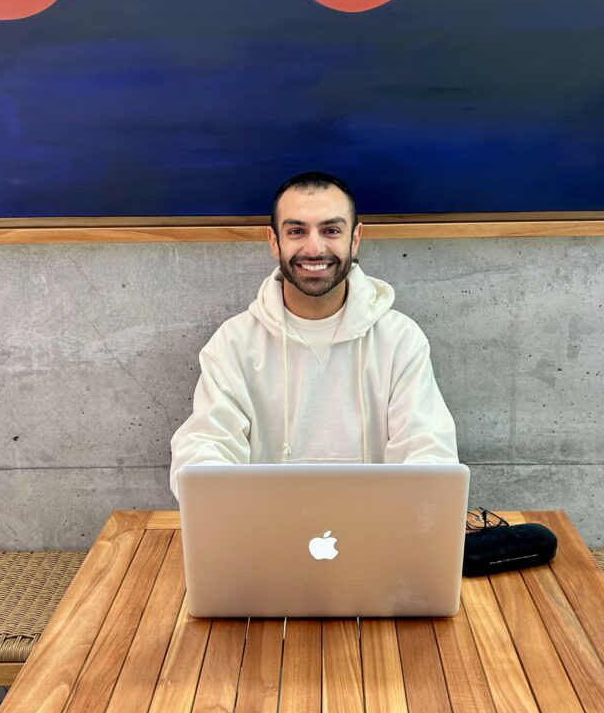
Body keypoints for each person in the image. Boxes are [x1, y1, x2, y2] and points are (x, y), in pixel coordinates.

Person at [169, 171, 458, 499]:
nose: (314, 248)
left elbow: (429, 453)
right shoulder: (235, 343)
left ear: (355, 238)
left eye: (331, 230)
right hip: (265, 526)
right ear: (274, 242)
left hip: (376, 526)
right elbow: (203, 449)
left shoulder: (399, 339)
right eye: (296, 231)